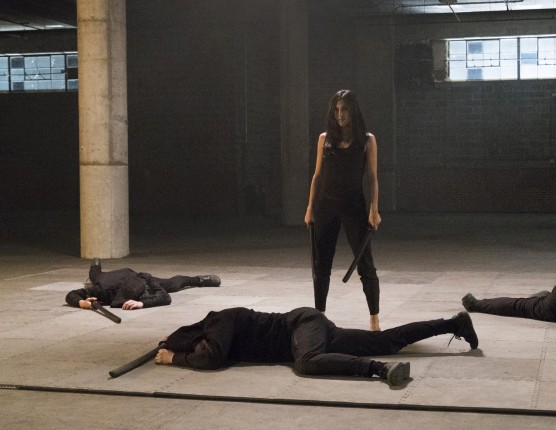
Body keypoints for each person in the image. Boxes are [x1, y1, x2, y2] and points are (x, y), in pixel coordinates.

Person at [154, 307, 479, 387]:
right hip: (311, 330)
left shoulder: (217, 320)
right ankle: (453, 324)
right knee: (383, 341)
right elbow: (211, 354)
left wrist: (175, 358)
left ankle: (378, 370)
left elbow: (211, 359)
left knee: (307, 362)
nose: (202, 348)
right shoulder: (216, 332)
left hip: (301, 326)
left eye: (197, 345)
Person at [304, 89, 383, 331]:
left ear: (353, 111)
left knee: (365, 265)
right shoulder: (324, 139)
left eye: (344, 109)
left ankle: (374, 320)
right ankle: (319, 317)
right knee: (321, 265)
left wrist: (374, 209)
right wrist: (310, 207)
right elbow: (317, 176)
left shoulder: (367, 140)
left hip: (353, 206)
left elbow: (372, 178)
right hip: (326, 206)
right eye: (336, 110)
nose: (340, 114)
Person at [65, 259, 221, 310]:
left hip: (132, 275)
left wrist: (142, 303)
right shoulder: (103, 290)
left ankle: (199, 280)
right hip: (109, 279)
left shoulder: (146, 279)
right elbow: (71, 294)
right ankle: (95, 263)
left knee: (172, 284)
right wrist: (82, 303)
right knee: (96, 276)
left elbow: (165, 297)